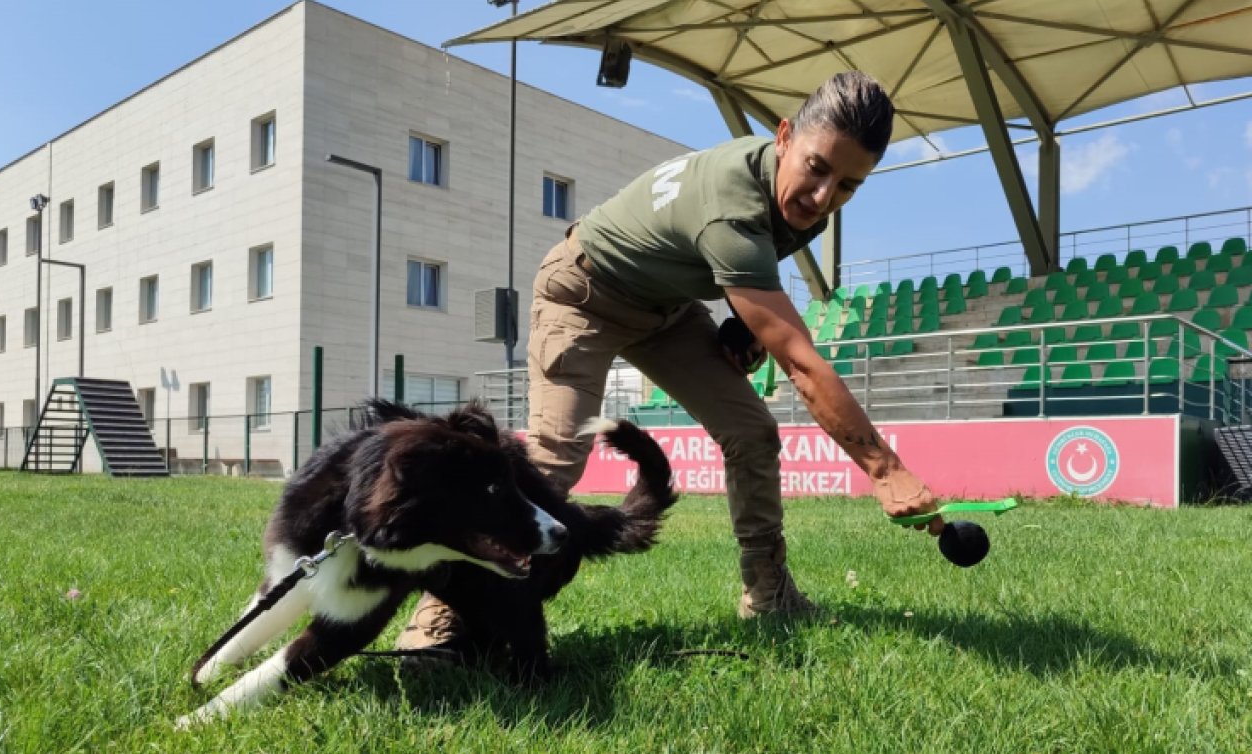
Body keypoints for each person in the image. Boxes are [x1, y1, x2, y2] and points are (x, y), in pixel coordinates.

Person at [398, 71, 941, 653]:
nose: (822, 197)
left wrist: (741, 326)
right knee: (554, 460)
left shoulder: (800, 204)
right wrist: (885, 469)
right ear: (783, 136)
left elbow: (741, 276)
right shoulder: (731, 209)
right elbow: (801, 365)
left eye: (847, 186)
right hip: (582, 293)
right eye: (817, 167)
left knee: (753, 431)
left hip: (665, 310)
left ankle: (768, 592)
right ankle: (438, 618)